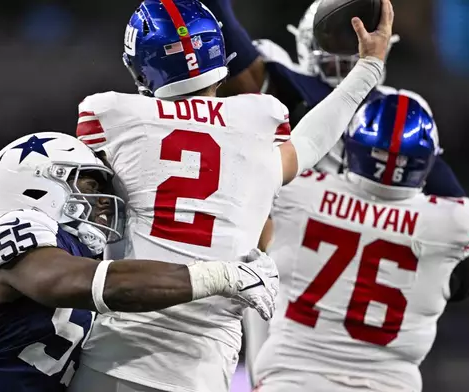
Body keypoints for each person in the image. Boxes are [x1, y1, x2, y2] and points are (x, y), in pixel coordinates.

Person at [68, 0, 395, 391]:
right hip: (203, 370)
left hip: (114, 358)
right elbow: (310, 141)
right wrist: (368, 66)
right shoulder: (257, 122)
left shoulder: (110, 115)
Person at [0, 131, 278, 392]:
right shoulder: (20, 225)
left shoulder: (79, 252)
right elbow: (68, 283)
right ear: (39, 183)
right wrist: (219, 276)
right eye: (89, 186)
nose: (99, 204)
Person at [251, 94, 469, 392]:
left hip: (293, 380)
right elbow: (467, 279)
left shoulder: (300, 192)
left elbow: (256, 219)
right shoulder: (454, 222)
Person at [203, 0, 465, 198]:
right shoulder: (287, 79)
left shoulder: (395, 106)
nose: (343, 58)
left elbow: (449, 199)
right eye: (334, 45)